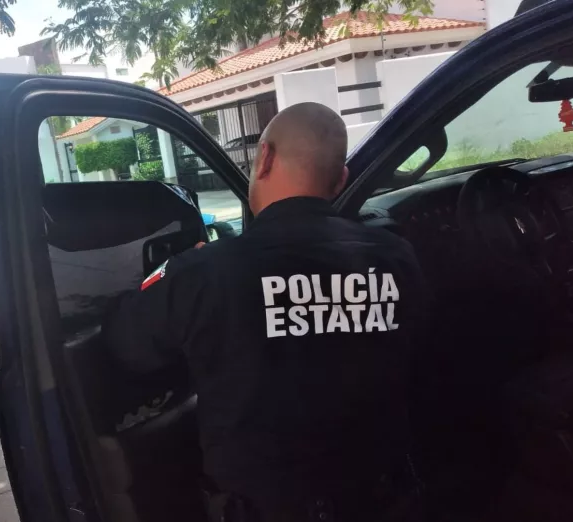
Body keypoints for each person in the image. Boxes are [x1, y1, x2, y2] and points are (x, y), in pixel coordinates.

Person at [103, 102, 429, 522]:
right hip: (388, 501)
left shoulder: (205, 272)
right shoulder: (397, 257)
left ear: (265, 157)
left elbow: (124, 344)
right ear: (341, 179)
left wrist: (176, 276)